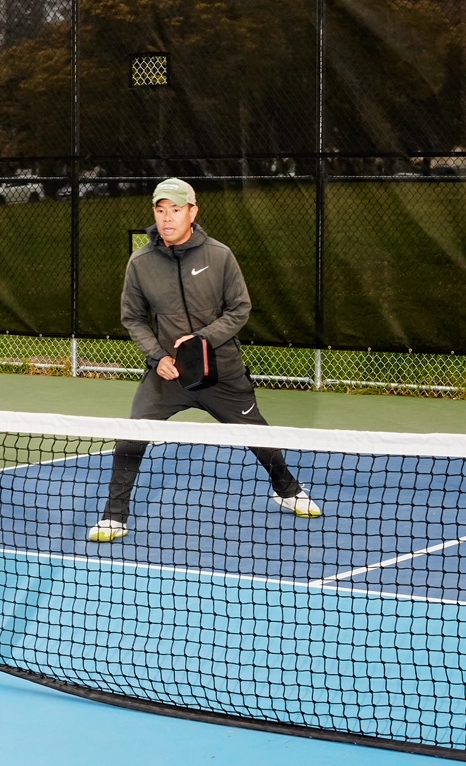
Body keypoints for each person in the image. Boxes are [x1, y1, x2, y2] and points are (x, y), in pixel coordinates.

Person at [90, 178, 320, 542]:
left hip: (222, 373)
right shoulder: (141, 262)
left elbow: (240, 308)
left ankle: (287, 490)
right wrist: (158, 356)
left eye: (176, 210)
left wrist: (203, 339)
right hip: (168, 375)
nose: (167, 218)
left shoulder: (219, 255)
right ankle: (114, 517)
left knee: (258, 435)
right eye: (161, 210)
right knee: (130, 436)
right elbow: (133, 318)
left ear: (193, 212)